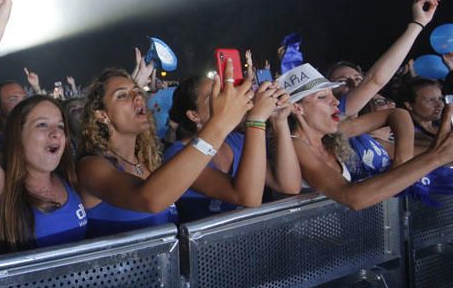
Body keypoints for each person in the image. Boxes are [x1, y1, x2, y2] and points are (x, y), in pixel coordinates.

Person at [0, 0, 87, 255]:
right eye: (42, 125)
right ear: (17, 135)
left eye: (60, 126)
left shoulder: (69, 179)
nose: (56, 133)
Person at [77, 59, 262, 237]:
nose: (137, 97)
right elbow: (149, 199)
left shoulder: (150, 160)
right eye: (122, 95)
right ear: (102, 115)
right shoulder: (91, 167)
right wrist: (219, 125)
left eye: (137, 91)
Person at [279, 63, 453, 210]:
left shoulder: (331, 133)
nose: (336, 102)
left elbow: (396, 114)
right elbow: (352, 198)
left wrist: (402, 160)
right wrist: (435, 157)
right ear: (297, 108)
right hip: (310, 246)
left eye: (333, 95)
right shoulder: (295, 145)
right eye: (323, 97)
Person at [166, 72, 300, 221]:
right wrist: (256, 120)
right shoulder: (178, 154)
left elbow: (288, 186)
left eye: (223, 91)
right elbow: (246, 197)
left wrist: (279, 121)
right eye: (215, 95)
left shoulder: (236, 141)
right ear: (194, 115)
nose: (227, 99)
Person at [398, 77, 445, 156]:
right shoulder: (407, 132)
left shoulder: (444, 123)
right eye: (430, 100)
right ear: (409, 105)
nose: (440, 105)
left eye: (440, 99)